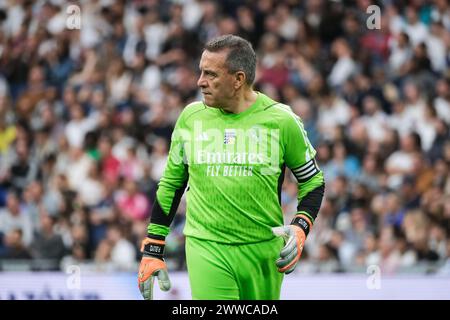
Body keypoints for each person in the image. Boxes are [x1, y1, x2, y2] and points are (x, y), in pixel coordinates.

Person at [138, 35, 325, 300]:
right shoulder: (191, 118)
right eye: (201, 71)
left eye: (210, 74)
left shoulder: (282, 121)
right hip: (207, 246)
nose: (200, 81)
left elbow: (313, 182)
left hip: (264, 252)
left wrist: (300, 227)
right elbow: (172, 184)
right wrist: (153, 247)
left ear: (238, 79)